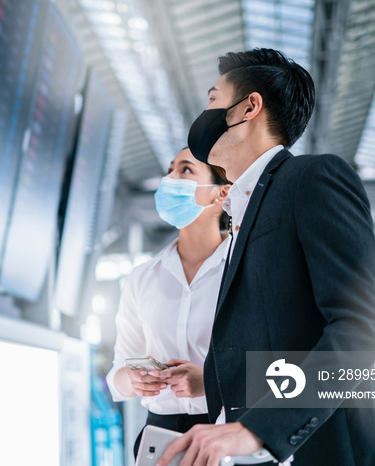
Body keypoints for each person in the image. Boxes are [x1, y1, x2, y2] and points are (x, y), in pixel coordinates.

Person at [156, 48, 375, 466]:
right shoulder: (243, 213)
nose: (204, 113)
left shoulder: (312, 178)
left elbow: (363, 326)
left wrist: (258, 428)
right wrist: (214, 381)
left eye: (213, 99)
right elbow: (286, 333)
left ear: (248, 107)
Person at [105, 147, 231, 457]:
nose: (169, 179)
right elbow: (117, 377)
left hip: (228, 434)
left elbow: (285, 372)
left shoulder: (248, 272)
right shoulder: (141, 279)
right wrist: (134, 380)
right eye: (170, 170)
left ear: (221, 194)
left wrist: (211, 382)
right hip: (158, 440)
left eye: (186, 170)